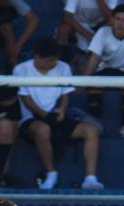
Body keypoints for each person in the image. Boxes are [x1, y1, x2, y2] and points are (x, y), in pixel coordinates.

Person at [15, 38, 105, 190]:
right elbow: (25, 98)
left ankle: (90, 178)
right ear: (37, 57)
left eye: (56, 59)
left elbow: (65, 95)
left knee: (91, 130)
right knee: (43, 130)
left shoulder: (63, 67)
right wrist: (43, 114)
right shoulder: (21, 69)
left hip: (57, 115)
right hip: (32, 118)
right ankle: (51, 174)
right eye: (51, 60)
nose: (55, 63)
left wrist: (62, 110)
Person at [82, 4, 124, 139]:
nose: (120, 23)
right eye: (117, 19)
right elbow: (95, 58)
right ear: (111, 19)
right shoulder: (103, 32)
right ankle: (95, 125)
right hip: (106, 70)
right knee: (93, 88)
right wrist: (83, 81)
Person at [58, 0, 124, 53]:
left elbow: (111, 20)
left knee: (117, 25)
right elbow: (67, 18)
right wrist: (88, 35)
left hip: (99, 25)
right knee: (64, 29)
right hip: (78, 25)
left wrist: (100, 1)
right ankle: (62, 62)